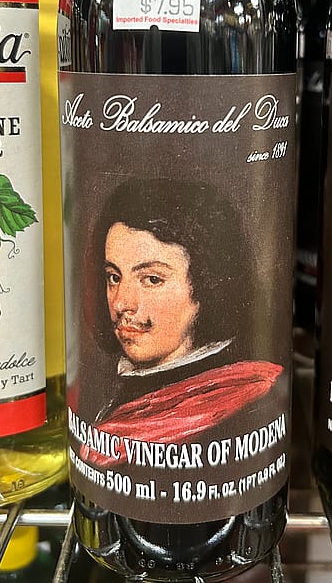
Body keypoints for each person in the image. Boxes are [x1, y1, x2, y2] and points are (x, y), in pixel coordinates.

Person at [79, 177, 285, 466]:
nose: (122, 302)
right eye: (114, 277)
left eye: (152, 279)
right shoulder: (119, 392)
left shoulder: (247, 396)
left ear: (206, 285)